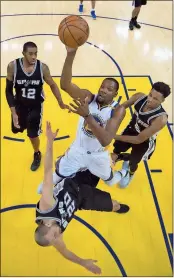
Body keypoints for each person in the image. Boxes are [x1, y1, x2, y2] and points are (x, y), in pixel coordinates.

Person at [35, 122, 130, 274]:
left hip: (76, 181)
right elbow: (65, 252)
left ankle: (117, 157)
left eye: (54, 234)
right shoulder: (53, 238)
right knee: (114, 205)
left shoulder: (46, 206)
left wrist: (50, 141)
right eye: (54, 238)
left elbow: (47, 171)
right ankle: (115, 203)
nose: (58, 235)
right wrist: (83, 263)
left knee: (102, 164)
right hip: (81, 200)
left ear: (46, 225)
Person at [37, 46, 128, 193]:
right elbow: (65, 85)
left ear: (115, 94)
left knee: (111, 181)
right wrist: (70, 54)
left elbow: (105, 140)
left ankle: (125, 171)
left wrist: (87, 116)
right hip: (77, 150)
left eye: (109, 89)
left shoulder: (118, 110)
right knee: (49, 183)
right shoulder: (88, 97)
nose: (103, 90)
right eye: (102, 87)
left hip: (98, 155)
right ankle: (53, 184)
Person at [6, 41, 68, 171]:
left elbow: (52, 84)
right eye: (30, 54)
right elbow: (8, 90)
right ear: (23, 53)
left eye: (35, 53)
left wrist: (60, 101)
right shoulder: (13, 66)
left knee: (32, 134)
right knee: (16, 129)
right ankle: (21, 122)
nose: (34, 57)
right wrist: (13, 112)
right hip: (19, 105)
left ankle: (37, 153)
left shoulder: (42, 68)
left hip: (35, 106)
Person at [111, 82, 170, 187]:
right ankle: (119, 156)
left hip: (144, 140)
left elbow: (138, 139)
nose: (150, 100)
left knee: (134, 162)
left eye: (155, 99)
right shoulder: (139, 97)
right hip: (131, 129)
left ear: (162, 101)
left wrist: (111, 135)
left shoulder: (161, 119)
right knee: (116, 148)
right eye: (150, 95)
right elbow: (121, 107)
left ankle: (130, 173)